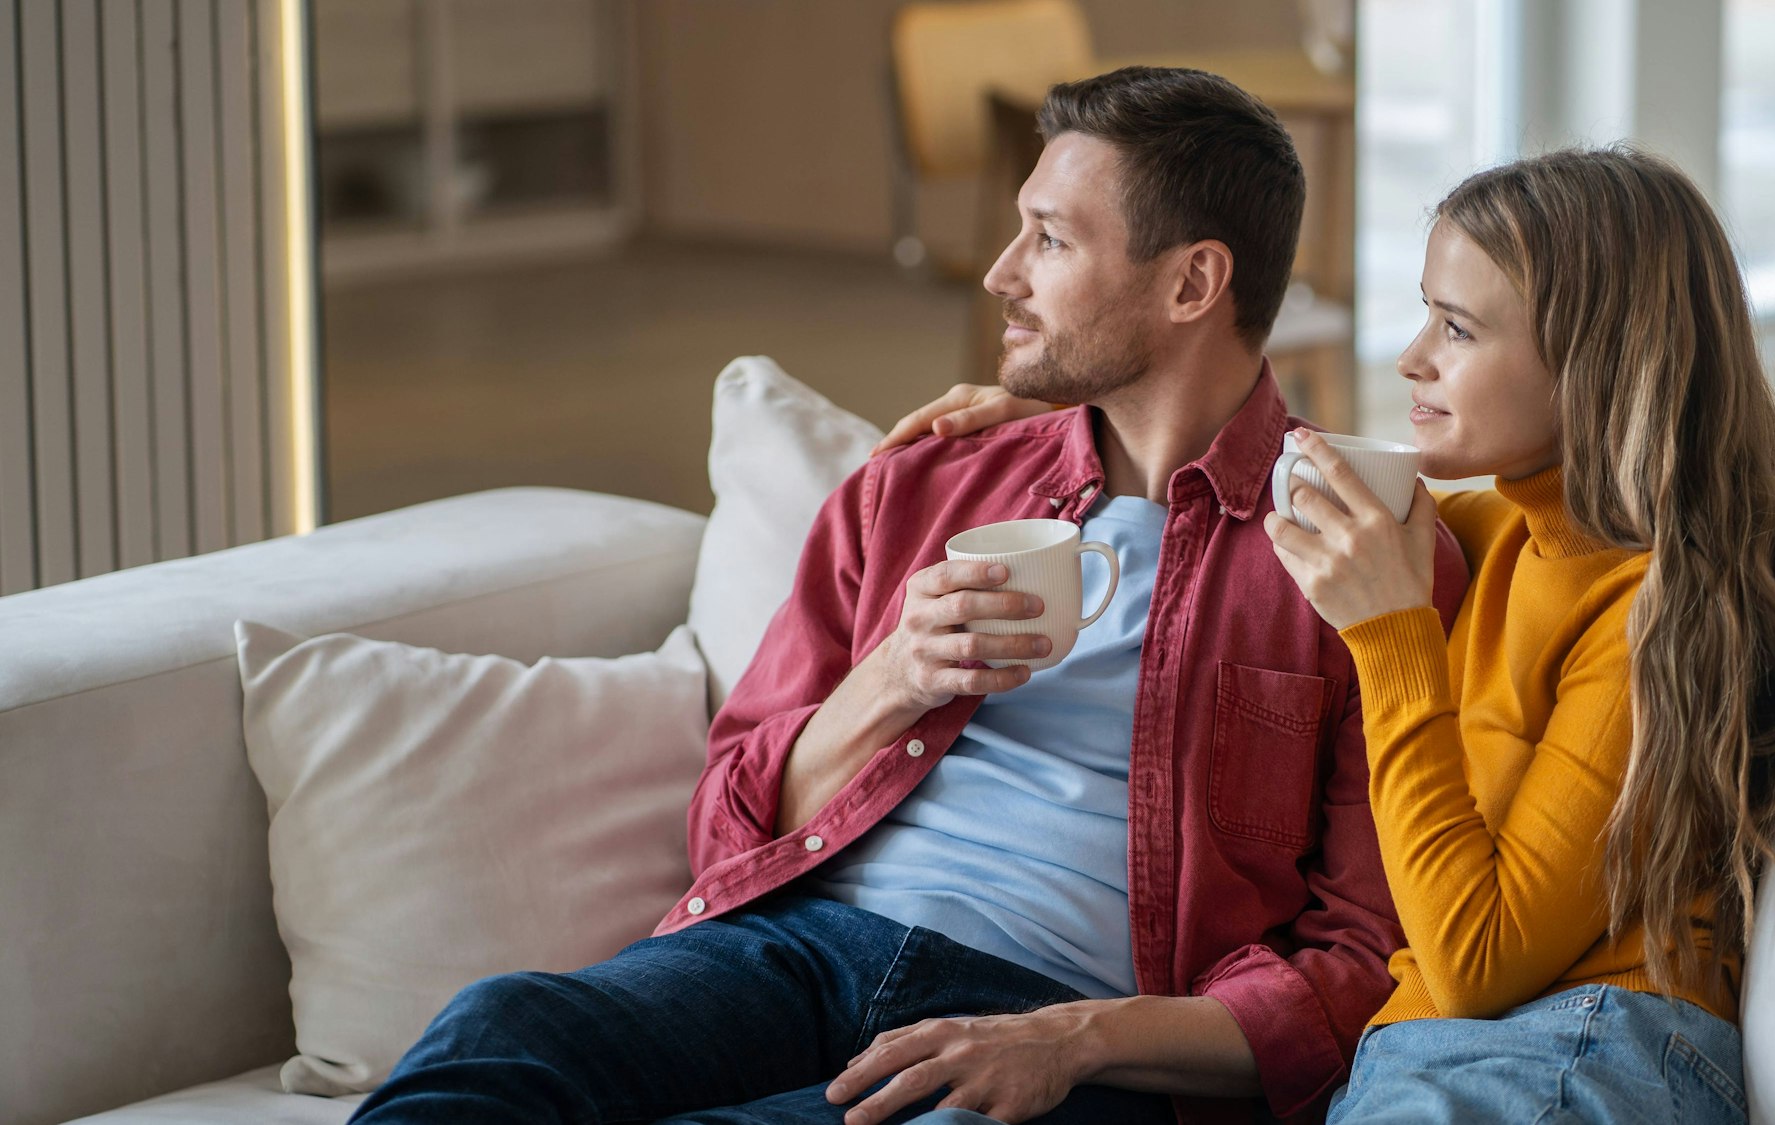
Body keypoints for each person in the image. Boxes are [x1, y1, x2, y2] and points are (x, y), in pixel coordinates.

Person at [348, 67, 1467, 1125]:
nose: (999, 273)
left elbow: (1358, 962)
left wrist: (1077, 1041)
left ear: (1190, 283)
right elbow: (729, 827)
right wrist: (892, 679)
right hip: (796, 950)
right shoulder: (925, 481)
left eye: (1050, 239)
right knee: (506, 1027)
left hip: (1061, 1021)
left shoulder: (1355, 552)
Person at [887, 146, 1775, 1124]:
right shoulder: (1492, 532)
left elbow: (1473, 966)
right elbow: (1260, 491)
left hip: (1571, 1045)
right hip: (1420, 1057)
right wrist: (1080, 419)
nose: (1412, 356)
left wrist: (1391, 636)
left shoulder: (1650, 608)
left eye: (1455, 328)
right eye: (1424, 312)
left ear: (1597, 361)